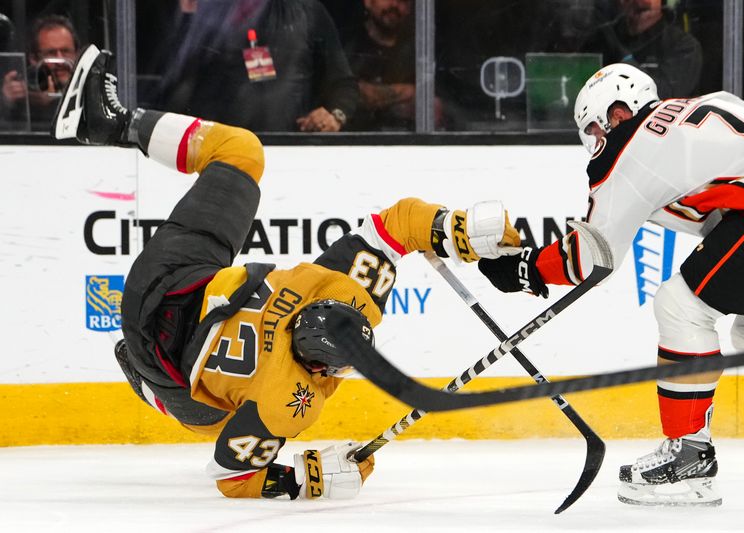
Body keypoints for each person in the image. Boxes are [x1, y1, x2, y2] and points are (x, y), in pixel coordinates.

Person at [53, 45, 521, 500]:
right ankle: (152, 384)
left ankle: (110, 124)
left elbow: (399, 223)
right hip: (162, 340)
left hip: (171, 278)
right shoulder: (287, 399)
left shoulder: (332, 310)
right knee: (211, 417)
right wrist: (305, 477)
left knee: (241, 152)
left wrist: (457, 231)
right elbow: (230, 476)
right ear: (319, 365)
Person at [478, 62, 744, 507]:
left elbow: (587, 255)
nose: (595, 141)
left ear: (616, 112)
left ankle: (689, 459)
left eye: (593, 128)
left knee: (680, 307)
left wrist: (526, 268)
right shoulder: (697, 106)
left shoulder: (627, 145)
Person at [159, 0, 358, 133]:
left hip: (292, 152)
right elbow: (178, 91)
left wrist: (335, 115)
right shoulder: (208, 16)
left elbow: (342, 84)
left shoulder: (308, 12)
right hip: (219, 153)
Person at [581, 0, 702, 98]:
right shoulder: (601, 38)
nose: (638, 2)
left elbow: (667, 95)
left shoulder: (683, 45)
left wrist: (624, 58)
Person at [343, 0, 421, 131]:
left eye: (404, 1)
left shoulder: (420, 52)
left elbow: (436, 101)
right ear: (367, 2)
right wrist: (410, 91)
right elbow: (348, 92)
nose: (395, 5)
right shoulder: (346, 44)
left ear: (410, 9)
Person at [0, 14, 79, 130]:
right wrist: (5, 102)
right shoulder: (22, 97)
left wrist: (54, 101)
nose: (60, 60)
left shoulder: (90, 90)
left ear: (77, 54)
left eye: (66, 51)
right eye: (51, 53)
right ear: (34, 59)